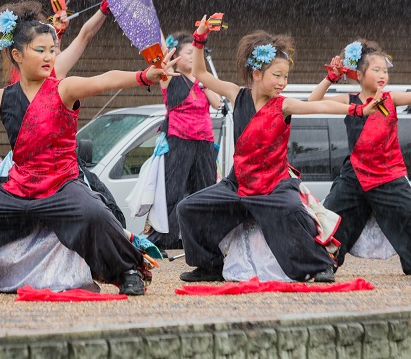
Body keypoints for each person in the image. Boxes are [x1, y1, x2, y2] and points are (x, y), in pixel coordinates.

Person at [0, 0, 178, 296]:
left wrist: (143, 76)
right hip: (17, 189)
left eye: (52, 50)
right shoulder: (3, 97)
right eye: (40, 50)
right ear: (16, 55)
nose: (49, 57)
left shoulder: (63, 88)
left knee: (98, 215)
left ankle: (126, 270)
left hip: (62, 185)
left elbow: (103, 80)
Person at [177, 16, 377, 284]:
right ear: (257, 74)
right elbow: (201, 74)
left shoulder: (283, 105)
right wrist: (199, 38)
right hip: (238, 184)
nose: (283, 82)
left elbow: (317, 106)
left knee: (293, 211)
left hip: (274, 185)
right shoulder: (237, 95)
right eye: (277, 75)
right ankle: (209, 265)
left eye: (286, 76)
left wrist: (357, 108)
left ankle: (318, 266)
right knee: (188, 208)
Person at [309, 39, 411, 274]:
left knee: (408, 213)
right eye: (375, 69)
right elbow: (312, 102)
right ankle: (324, 264)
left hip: (389, 173)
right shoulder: (349, 101)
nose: (382, 74)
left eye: (385, 70)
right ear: (359, 74)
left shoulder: (391, 99)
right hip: (355, 173)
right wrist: (331, 78)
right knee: (332, 217)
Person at [146, 32, 220, 251]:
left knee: (205, 189)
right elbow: (163, 59)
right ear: (176, 56)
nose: (191, 57)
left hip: (204, 141)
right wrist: (158, 33)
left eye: (194, 53)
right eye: (188, 53)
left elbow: (216, 103)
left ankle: (205, 237)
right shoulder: (171, 77)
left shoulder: (202, 80)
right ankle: (166, 238)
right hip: (179, 140)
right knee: (173, 190)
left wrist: (204, 82)